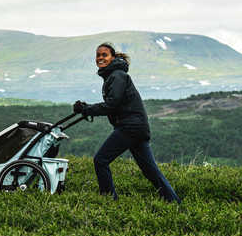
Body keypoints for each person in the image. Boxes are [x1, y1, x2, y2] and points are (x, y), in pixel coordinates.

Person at [74, 42, 180, 203]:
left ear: (113, 57)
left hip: (130, 127)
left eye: (104, 55)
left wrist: (86, 109)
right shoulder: (114, 76)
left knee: (100, 160)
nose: (100, 58)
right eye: (98, 55)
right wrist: (87, 109)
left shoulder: (117, 76)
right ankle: (173, 202)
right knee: (150, 170)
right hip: (137, 127)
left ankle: (109, 201)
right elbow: (114, 104)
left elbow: (112, 104)